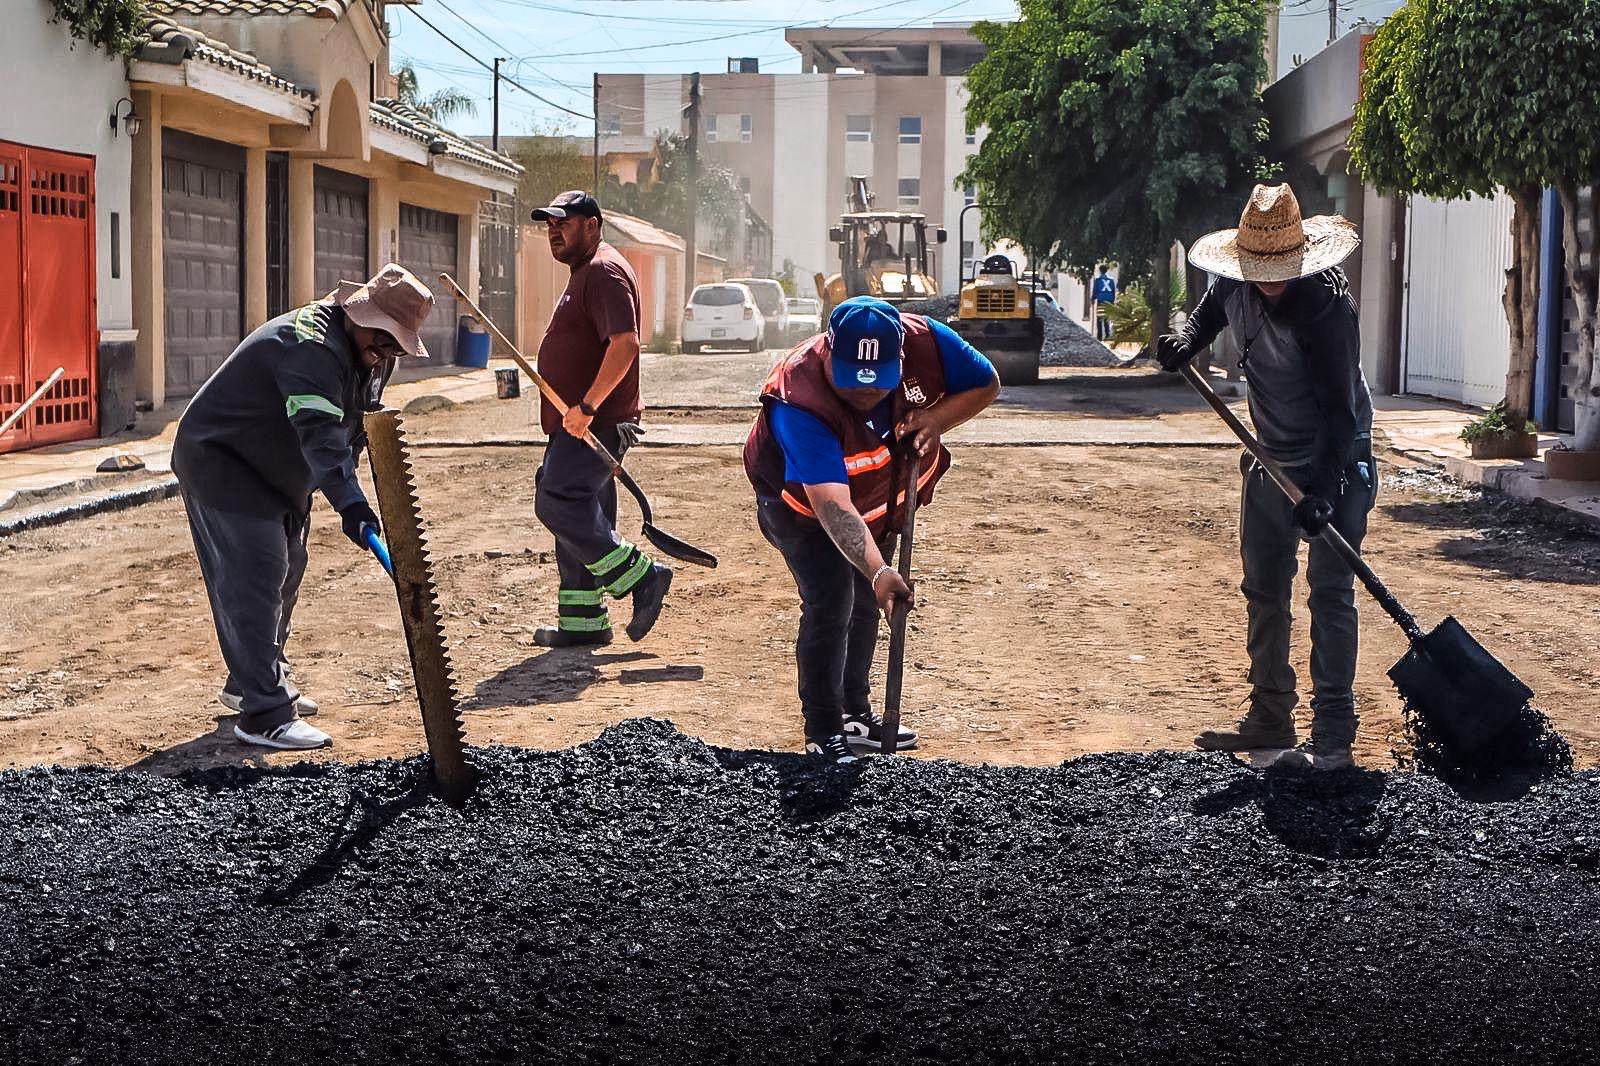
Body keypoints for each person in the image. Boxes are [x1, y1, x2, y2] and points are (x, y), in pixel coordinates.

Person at [1154, 183, 1372, 770]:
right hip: (1269, 456)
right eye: (1259, 269)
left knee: (1330, 591)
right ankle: (1271, 716)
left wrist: (1322, 491)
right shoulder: (1233, 283)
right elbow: (1205, 317)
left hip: (1336, 456)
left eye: (1278, 269)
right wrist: (1184, 342)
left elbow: (1340, 414)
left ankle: (1333, 734)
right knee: (1265, 588)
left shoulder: (1326, 309)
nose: (1268, 280)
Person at [172, 264, 434, 750]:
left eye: (395, 347)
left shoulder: (373, 354)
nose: (384, 353)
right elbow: (321, 435)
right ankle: (265, 714)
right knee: (257, 573)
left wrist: (348, 490)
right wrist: (350, 502)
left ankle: (252, 680)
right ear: (358, 314)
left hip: (277, 467)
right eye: (380, 340)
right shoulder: (310, 347)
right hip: (224, 460)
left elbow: (352, 425)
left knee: (289, 566)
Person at [744, 296, 1000, 760]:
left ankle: (854, 715)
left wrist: (935, 419)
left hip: (876, 497)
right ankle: (824, 730)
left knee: (866, 600)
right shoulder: (798, 398)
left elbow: (987, 382)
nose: (865, 395)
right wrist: (880, 571)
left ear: (900, 357)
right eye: (852, 383)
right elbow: (831, 506)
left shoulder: (928, 342)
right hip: (800, 507)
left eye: (878, 384)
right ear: (828, 352)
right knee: (831, 602)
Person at [529, 190, 671, 648]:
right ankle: (583, 622)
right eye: (550, 225)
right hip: (579, 421)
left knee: (558, 502)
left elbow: (625, 344)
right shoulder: (585, 272)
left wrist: (588, 406)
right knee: (583, 513)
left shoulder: (603, 271)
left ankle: (643, 577)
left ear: (591, 225)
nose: (555, 232)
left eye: (564, 223)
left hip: (596, 421)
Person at [1091, 264, 1117, 341]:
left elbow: (1095, 290)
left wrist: (1093, 298)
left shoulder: (1098, 279)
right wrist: (1112, 301)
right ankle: (1107, 335)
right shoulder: (1111, 280)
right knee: (1106, 318)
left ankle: (1099, 336)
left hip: (1101, 299)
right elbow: (1113, 291)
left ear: (1100, 270)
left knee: (1099, 318)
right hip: (1109, 300)